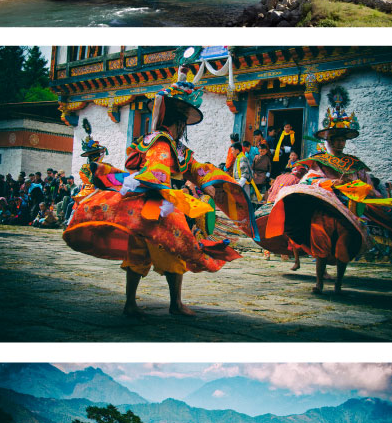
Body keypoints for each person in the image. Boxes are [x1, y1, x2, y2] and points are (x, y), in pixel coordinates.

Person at [63, 89, 251, 319]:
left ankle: (134, 303)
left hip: (149, 205)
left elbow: (195, 168)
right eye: (183, 123)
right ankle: (173, 303)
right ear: (179, 123)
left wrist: (208, 183)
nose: (185, 129)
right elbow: (156, 171)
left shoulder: (170, 145)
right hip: (159, 204)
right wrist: (171, 192)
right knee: (177, 247)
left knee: (140, 251)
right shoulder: (160, 143)